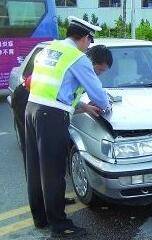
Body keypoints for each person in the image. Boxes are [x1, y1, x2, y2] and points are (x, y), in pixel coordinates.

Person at [24, 16, 111, 238]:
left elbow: (56, 89)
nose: (90, 45)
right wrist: (106, 105)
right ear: (83, 37)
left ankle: (41, 217)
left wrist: (82, 107)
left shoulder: (49, 50)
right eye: (90, 40)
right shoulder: (77, 58)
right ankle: (60, 226)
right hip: (51, 117)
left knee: (36, 169)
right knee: (53, 172)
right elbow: (98, 94)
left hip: (32, 109)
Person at [10, 45, 113, 205]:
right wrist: (104, 104)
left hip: (40, 105)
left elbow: (66, 95)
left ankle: (53, 200)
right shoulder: (78, 63)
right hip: (27, 99)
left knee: (50, 161)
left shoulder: (78, 63)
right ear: (90, 62)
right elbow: (99, 98)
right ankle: (46, 207)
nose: (97, 76)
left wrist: (84, 107)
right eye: (98, 71)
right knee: (38, 160)